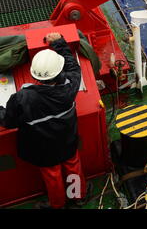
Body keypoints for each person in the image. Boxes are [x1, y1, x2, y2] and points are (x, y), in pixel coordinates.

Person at [0, 32, 88, 209]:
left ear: (34, 75)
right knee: (72, 165)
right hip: (66, 139)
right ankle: (78, 196)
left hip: (43, 148)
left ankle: (57, 204)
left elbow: (8, 121)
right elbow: (73, 68)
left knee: (52, 174)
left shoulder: (23, 98)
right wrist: (59, 44)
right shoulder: (70, 86)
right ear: (58, 72)